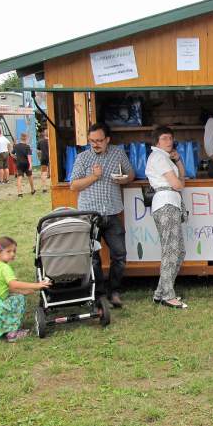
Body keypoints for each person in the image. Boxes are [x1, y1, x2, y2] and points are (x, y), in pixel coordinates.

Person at [70, 122, 134, 307]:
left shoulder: (118, 153)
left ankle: (114, 292)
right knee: (94, 257)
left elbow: (131, 173)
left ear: (107, 139)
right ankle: (99, 295)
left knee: (120, 255)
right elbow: (73, 185)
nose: (95, 144)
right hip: (90, 215)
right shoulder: (83, 158)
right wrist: (94, 177)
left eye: (99, 140)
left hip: (112, 212)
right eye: (92, 141)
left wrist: (124, 179)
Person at [0, 236, 51, 342]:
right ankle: (12, 333)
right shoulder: (4, 268)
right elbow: (14, 285)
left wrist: (26, 291)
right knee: (19, 299)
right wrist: (36, 285)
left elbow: (7, 288)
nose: (12, 254)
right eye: (8, 251)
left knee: (14, 296)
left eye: (14, 251)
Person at [145, 126, 188, 309]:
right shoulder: (158, 157)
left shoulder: (165, 158)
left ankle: (160, 293)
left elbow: (181, 180)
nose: (169, 141)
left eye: (170, 138)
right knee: (171, 251)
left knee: (178, 251)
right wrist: (180, 183)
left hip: (170, 202)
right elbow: (178, 184)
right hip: (166, 203)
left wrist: (178, 161)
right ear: (156, 142)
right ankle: (168, 295)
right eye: (164, 138)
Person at [12, 132, 36, 197]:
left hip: (19, 163)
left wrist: (16, 157)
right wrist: (30, 164)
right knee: (30, 176)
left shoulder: (16, 146)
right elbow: (29, 156)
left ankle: (19, 193)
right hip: (26, 164)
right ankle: (32, 190)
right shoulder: (27, 146)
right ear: (26, 138)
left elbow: (12, 154)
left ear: (21, 138)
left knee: (19, 178)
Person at [37, 128, 50, 193]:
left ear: (44, 134)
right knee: (53, 172)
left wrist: (39, 158)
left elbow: (38, 151)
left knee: (44, 173)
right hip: (51, 158)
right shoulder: (51, 141)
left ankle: (44, 188)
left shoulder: (40, 141)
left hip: (44, 158)